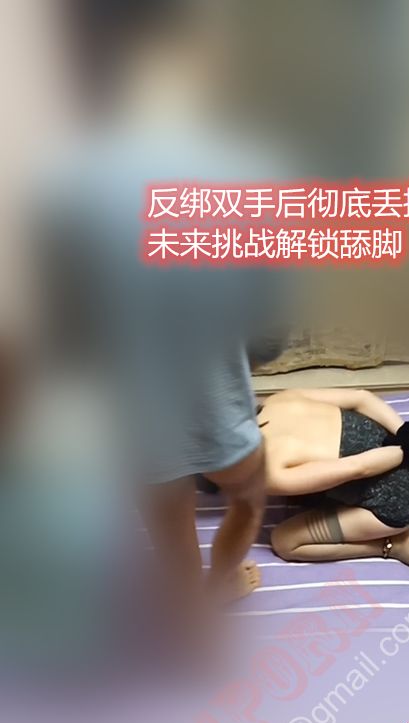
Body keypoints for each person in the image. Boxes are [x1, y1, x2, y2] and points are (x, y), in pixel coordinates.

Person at [35, 0, 292, 621]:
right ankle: (220, 584)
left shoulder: (69, 183)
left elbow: (68, 334)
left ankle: (190, 614)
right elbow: (268, 332)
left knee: (172, 540)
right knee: (248, 501)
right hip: (220, 409)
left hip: (138, 423)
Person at [255, 388, 409, 589]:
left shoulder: (268, 472)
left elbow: (357, 468)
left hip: (402, 502)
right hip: (408, 453)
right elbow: (362, 398)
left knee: (284, 542)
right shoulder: (276, 400)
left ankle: (393, 545)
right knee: (304, 492)